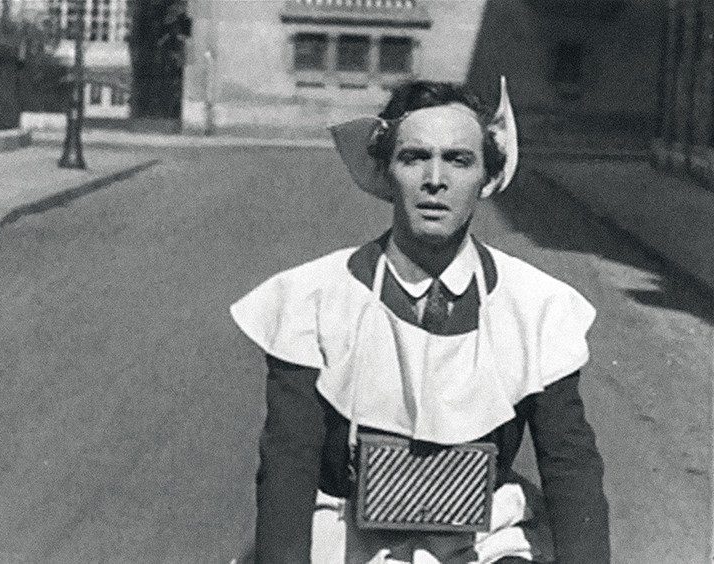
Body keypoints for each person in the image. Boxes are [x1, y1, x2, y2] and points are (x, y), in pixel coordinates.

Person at [230, 78, 610, 564]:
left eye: (459, 160)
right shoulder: (313, 299)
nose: (435, 179)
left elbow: (570, 464)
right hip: (345, 536)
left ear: (487, 178)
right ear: (386, 172)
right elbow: (288, 465)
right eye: (413, 158)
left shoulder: (536, 305)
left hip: (484, 540)